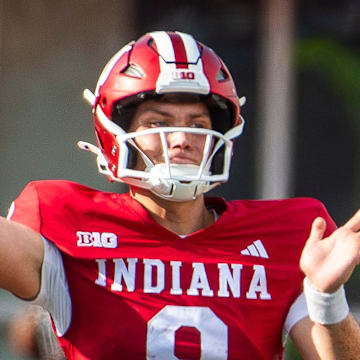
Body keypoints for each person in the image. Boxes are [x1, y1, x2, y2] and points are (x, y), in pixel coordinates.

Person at [1, 30, 360, 359]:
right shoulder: (67, 221)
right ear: (114, 133)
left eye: (198, 125)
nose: (181, 139)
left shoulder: (290, 237)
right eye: (157, 123)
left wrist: (326, 298)